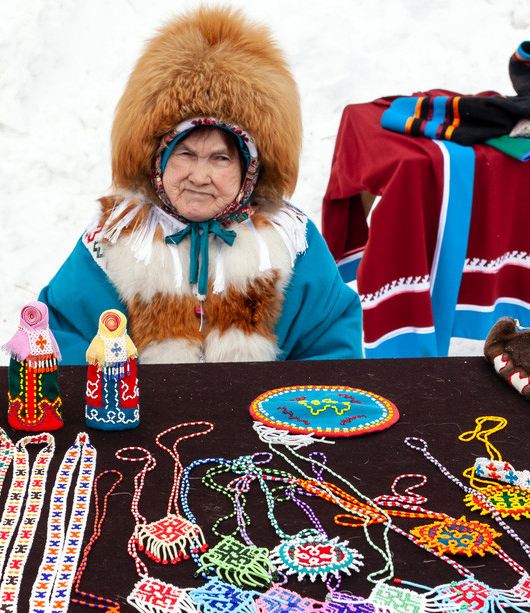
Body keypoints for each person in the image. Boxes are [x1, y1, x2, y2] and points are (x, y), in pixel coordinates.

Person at [38, 6, 362, 364]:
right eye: (186, 154)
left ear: (249, 170)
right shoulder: (117, 237)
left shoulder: (289, 242)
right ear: (157, 161)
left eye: (220, 159)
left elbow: (332, 351)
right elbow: (59, 341)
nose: (199, 176)